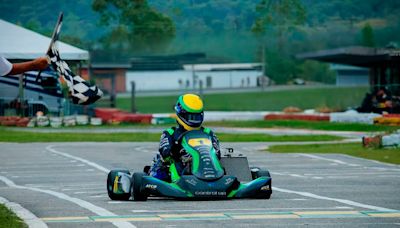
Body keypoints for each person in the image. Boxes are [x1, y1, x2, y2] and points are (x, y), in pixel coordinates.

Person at [150, 93, 221, 181]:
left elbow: (217, 154)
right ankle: (177, 180)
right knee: (163, 168)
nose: (194, 120)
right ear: (181, 114)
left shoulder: (208, 133)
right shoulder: (170, 133)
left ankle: (214, 179)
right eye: (191, 116)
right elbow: (165, 153)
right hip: (179, 167)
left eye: (197, 116)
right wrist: (177, 151)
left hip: (205, 167)